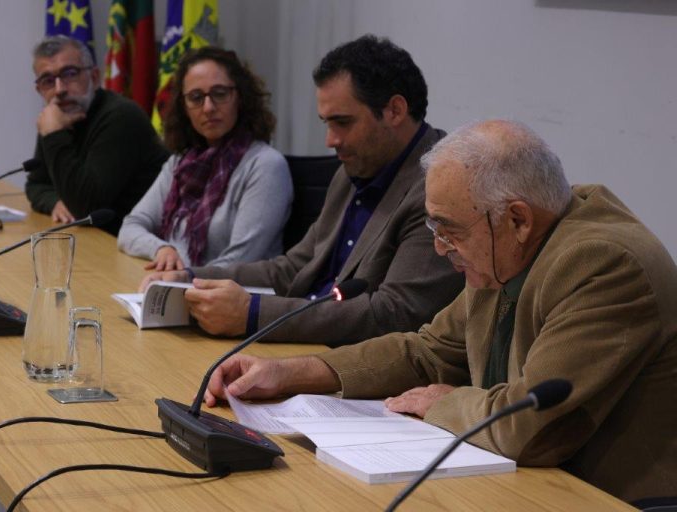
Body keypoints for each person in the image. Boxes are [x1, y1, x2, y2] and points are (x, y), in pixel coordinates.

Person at [202, 120, 677, 503]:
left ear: (517, 219)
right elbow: (427, 351)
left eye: (449, 228)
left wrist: (442, 403)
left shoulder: (601, 263)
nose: (438, 244)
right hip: (515, 482)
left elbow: (531, 429)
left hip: (601, 497)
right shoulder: (508, 248)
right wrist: (290, 374)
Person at [140, 35, 464, 346]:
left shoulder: (437, 188)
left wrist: (251, 314)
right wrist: (189, 277)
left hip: (348, 364)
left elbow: (393, 314)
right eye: (327, 123)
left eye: (342, 122)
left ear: (394, 110)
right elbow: (294, 267)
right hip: (296, 341)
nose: (330, 141)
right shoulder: (350, 172)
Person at [117, 47, 292, 270]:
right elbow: (131, 227)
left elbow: (241, 261)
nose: (208, 108)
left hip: (232, 296)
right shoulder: (180, 164)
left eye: (219, 94)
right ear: (184, 107)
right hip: (180, 287)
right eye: (196, 97)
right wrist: (162, 249)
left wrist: (183, 277)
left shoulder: (265, 165)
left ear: (240, 97)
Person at [26, 36, 169, 235]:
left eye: (69, 73)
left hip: (142, 246)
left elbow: (88, 207)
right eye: (48, 80)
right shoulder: (56, 115)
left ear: (94, 77)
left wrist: (55, 135)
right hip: (98, 239)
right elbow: (36, 184)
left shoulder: (121, 116)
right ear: (39, 89)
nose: (59, 89)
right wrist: (55, 202)